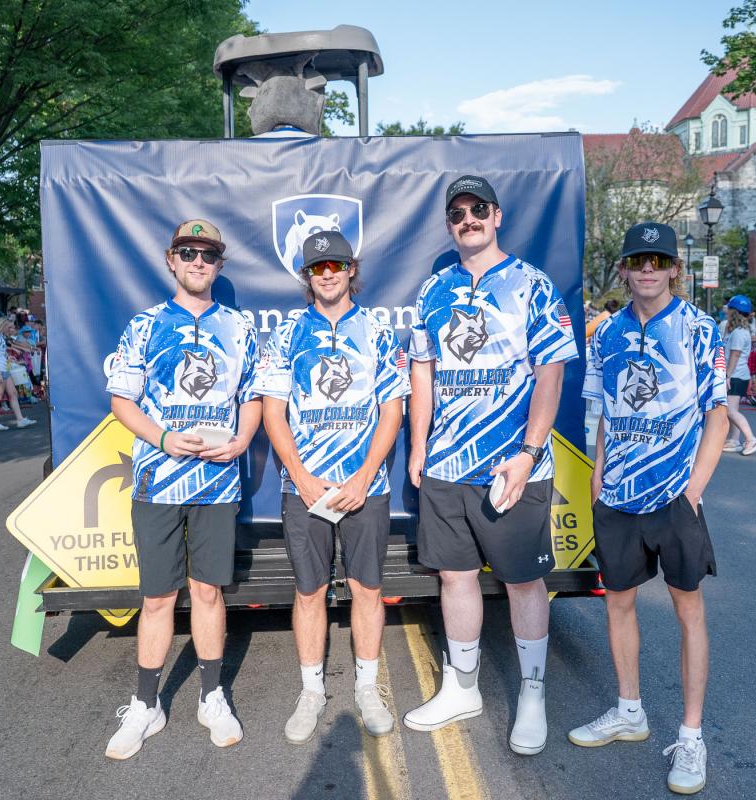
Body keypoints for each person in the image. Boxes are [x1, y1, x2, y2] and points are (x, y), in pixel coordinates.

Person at [403, 175, 578, 756]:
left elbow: (551, 374)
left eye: (478, 209)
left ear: (497, 216)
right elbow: (421, 373)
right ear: (449, 224)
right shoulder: (433, 290)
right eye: (457, 213)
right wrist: (419, 446)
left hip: (512, 465)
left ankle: (532, 693)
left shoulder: (532, 285)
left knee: (523, 580)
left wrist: (529, 454)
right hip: (448, 464)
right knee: (454, 576)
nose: (468, 219)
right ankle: (463, 686)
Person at [572, 220, 728, 796]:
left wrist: (694, 487)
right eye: (637, 259)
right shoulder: (606, 332)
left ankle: (691, 736)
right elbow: (604, 417)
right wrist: (596, 484)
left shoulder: (699, 328)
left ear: (674, 269)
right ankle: (629, 711)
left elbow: (717, 412)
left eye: (658, 260)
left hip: (674, 497)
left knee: (689, 612)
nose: (647, 269)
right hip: (617, 495)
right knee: (618, 605)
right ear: (624, 269)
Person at [103, 218, 260, 759]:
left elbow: (254, 395)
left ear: (220, 264)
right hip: (156, 482)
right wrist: (164, 437)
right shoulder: (144, 326)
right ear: (171, 259)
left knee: (209, 592)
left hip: (217, 484)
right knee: (157, 597)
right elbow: (122, 401)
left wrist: (242, 439)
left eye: (208, 255)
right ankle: (146, 704)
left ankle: (211, 696)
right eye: (188, 253)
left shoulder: (239, 328)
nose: (198, 262)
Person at [255, 231, 409, 744]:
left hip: (365, 486)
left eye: (336, 265)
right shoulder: (286, 335)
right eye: (317, 267)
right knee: (310, 590)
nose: (327, 274)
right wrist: (298, 475)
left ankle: (367, 688)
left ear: (351, 268)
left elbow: (393, 409)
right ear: (307, 276)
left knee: (368, 589)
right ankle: (311, 691)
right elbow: (273, 413)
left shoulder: (379, 332)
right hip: (306, 488)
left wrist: (365, 475)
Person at [721, 295, 756, 455]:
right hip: (738, 375)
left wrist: (727, 376)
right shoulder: (739, 331)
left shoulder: (738, 333)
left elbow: (735, 356)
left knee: (730, 411)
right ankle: (734, 440)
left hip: (735, 375)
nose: (726, 312)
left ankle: (751, 439)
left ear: (734, 312)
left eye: (729, 309)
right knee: (732, 409)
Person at [0, 317, 36, 431]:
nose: (11, 330)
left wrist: (8, 357)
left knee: (13, 393)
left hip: (3, 368)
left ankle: (20, 419)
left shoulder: (0, 337)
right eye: (9, 327)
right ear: (3, 326)